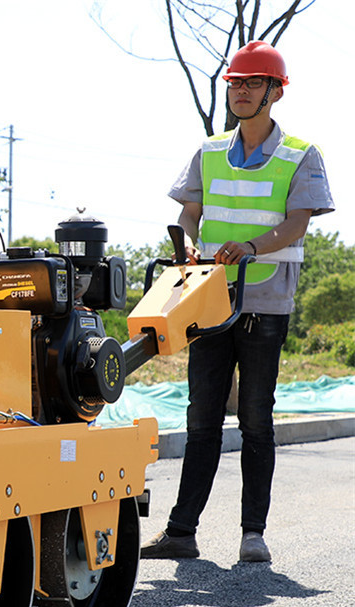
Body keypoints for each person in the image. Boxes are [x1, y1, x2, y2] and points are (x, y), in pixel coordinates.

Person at [141, 41, 334, 563]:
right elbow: (189, 216)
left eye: (252, 83)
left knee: (255, 418)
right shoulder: (207, 151)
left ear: (275, 92)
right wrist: (185, 245)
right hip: (209, 299)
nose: (240, 91)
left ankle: (253, 533)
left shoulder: (300, 154)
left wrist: (249, 248)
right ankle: (182, 532)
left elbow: (296, 223)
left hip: (266, 300)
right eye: (235, 83)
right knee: (202, 416)